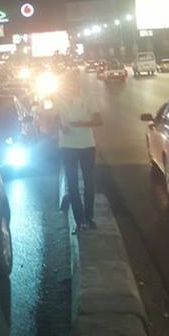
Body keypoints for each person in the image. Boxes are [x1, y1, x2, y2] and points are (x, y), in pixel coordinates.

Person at [56, 71, 102, 232]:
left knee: (89, 183)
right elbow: (49, 118)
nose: (69, 86)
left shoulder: (87, 98)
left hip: (87, 145)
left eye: (72, 83)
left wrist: (81, 124)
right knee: (72, 184)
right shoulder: (57, 99)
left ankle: (90, 217)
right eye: (66, 83)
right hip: (67, 146)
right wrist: (59, 126)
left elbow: (99, 120)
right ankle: (79, 220)